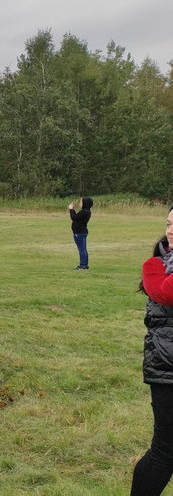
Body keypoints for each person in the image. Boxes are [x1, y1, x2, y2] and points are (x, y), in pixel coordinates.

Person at [131, 206, 173, 495]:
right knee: (164, 452)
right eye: (169, 223)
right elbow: (166, 293)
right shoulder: (155, 266)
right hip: (168, 367)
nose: (170, 230)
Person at [69, 197, 93, 270]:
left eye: (81, 202)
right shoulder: (85, 211)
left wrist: (71, 209)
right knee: (83, 249)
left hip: (79, 233)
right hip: (81, 232)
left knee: (82, 249)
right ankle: (84, 264)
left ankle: (83, 265)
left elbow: (73, 217)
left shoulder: (84, 212)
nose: (80, 203)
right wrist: (73, 210)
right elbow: (77, 218)